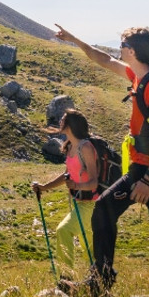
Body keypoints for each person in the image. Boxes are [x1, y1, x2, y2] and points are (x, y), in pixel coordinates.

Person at [52, 24, 149, 297]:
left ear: (133, 51)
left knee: (103, 209)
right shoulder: (140, 76)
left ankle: (99, 284)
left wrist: (148, 180)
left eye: (123, 46)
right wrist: (74, 40)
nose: (120, 50)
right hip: (148, 167)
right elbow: (104, 59)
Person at [31, 108, 99, 273]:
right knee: (89, 247)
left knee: (63, 230)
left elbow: (94, 181)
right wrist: (44, 187)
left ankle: (66, 276)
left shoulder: (86, 148)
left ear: (71, 125)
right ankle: (99, 279)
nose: (60, 122)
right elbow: (67, 175)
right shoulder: (70, 147)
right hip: (77, 202)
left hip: (90, 204)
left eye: (63, 120)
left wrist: (76, 186)